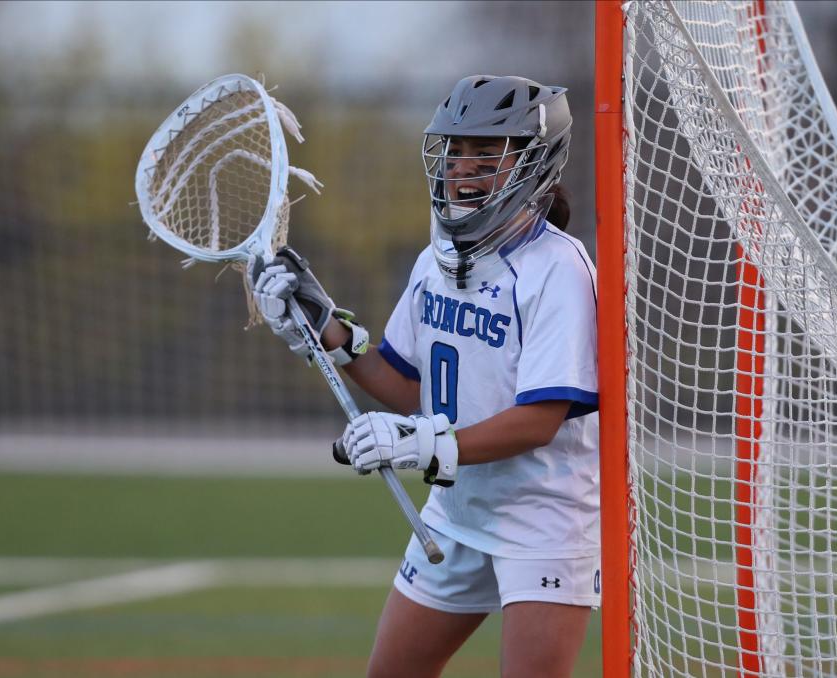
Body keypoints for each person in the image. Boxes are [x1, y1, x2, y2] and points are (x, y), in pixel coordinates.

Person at [249, 74, 599, 678]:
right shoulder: (437, 257)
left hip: (542, 518)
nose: (463, 169)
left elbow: (541, 420)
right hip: (457, 510)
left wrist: (428, 445)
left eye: (486, 154)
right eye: (455, 151)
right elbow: (409, 385)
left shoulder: (557, 270)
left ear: (536, 163)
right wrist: (325, 331)